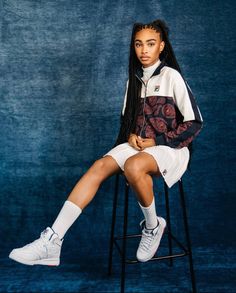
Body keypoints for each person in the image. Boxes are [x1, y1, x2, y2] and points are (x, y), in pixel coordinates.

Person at [9, 19, 203, 266]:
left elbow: (195, 122)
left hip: (171, 149)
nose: (144, 50)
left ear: (161, 46)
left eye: (151, 44)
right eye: (139, 44)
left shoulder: (171, 76)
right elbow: (129, 123)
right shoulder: (132, 82)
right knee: (98, 167)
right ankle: (52, 242)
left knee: (133, 165)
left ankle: (153, 227)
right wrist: (131, 136)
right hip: (141, 148)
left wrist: (158, 141)